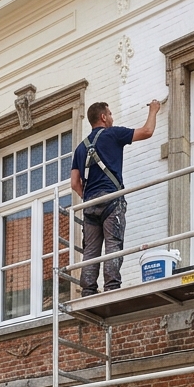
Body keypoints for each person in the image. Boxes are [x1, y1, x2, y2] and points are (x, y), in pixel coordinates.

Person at [70, 99, 161, 296]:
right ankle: (111, 287)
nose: (112, 117)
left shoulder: (80, 148)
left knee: (91, 251)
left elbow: (75, 183)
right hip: (111, 199)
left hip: (90, 204)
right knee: (113, 243)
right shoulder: (113, 134)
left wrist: (87, 196)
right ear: (103, 117)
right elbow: (147, 131)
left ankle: (87, 290)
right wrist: (154, 110)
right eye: (110, 114)